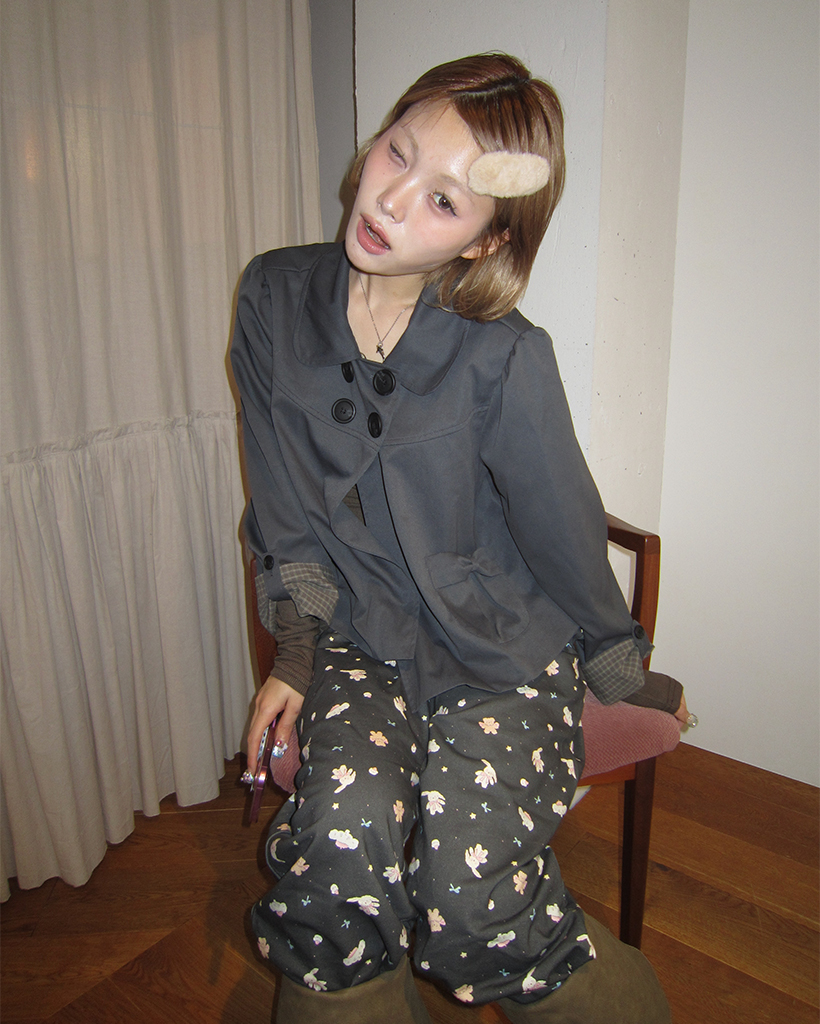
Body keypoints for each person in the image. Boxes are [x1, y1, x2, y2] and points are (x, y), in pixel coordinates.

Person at [231, 52, 674, 1024]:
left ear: (485, 241)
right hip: (359, 635)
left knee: (471, 895)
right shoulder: (272, 298)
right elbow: (284, 509)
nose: (390, 199)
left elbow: (561, 525)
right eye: (398, 151)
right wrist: (296, 651)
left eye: (443, 200)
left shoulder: (505, 354)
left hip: (498, 646)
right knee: (338, 852)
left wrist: (620, 662)